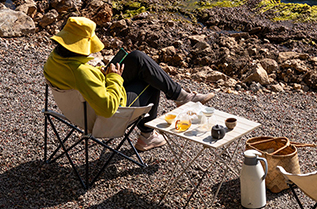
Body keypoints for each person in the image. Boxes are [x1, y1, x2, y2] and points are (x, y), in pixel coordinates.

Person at [43, 15, 214, 151]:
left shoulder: (55, 59)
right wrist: (114, 77)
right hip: (104, 114)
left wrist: (101, 74)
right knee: (150, 81)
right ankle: (147, 136)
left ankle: (182, 96)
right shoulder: (80, 72)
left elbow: (83, 80)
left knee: (137, 58)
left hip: (82, 107)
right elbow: (108, 108)